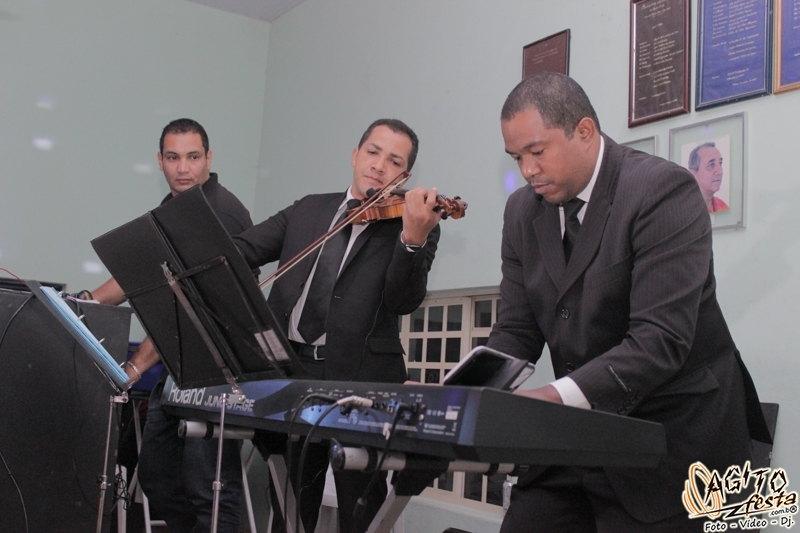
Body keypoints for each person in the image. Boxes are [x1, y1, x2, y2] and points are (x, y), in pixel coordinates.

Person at [487, 73, 770, 532]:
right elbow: (517, 330)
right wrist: (467, 391)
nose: (527, 170)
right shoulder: (522, 211)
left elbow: (659, 340)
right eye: (517, 157)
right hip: (584, 428)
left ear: (584, 131)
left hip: (675, 437)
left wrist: (551, 397)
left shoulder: (662, 189)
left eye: (536, 152)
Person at [232, 118, 442, 533]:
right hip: (292, 371)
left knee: (359, 507)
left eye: (394, 161)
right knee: (291, 502)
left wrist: (412, 240)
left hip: (364, 381)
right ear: (355, 155)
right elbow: (241, 250)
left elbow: (403, 300)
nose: (379, 165)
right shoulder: (308, 209)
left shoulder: (413, 223)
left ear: (405, 175)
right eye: (373, 152)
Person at [89, 118, 253, 533]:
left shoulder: (221, 213)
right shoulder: (171, 209)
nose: (183, 168)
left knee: (209, 489)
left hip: (220, 372)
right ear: (160, 161)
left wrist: (136, 366)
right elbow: (139, 274)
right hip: (180, 367)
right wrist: (84, 303)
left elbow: (191, 307)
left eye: (193, 157)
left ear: (209, 158)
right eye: (173, 157)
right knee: (157, 476)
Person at [688, 141, 729, 213]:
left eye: (720, 163)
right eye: (711, 165)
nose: (720, 172)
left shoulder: (723, 206)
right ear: (692, 173)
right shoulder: (683, 209)